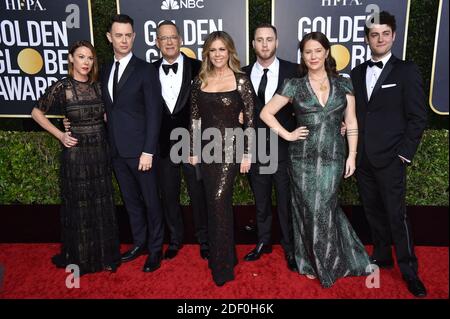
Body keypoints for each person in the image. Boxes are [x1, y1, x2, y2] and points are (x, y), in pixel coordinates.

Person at [260, 32, 371, 288]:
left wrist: (352, 154)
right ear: (303, 55)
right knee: (308, 208)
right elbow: (266, 113)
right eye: (307, 52)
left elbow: (352, 120)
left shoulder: (344, 83)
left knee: (325, 207)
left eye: (317, 51)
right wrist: (287, 134)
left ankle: (329, 258)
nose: (313, 56)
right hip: (302, 157)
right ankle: (312, 261)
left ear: (326, 53)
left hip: (333, 155)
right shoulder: (294, 85)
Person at [351, 11, 428, 297]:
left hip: (391, 158)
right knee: (372, 211)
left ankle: (409, 270)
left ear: (394, 36)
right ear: (367, 39)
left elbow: (419, 117)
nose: (380, 38)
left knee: (397, 216)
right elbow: (357, 114)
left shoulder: (406, 71)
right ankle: (382, 255)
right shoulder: (358, 73)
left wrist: (404, 155)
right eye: (374, 34)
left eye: (385, 33)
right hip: (363, 159)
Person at [31, 40, 121, 275]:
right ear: (71, 58)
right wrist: (61, 134)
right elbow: (36, 112)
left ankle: (105, 256)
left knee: (101, 203)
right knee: (80, 205)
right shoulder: (63, 87)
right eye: (81, 57)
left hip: (100, 152)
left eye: (90, 58)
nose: (86, 62)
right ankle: (81, 258)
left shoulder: (99, 87)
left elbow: (107, 117)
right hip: (77, 154)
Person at [189, 31, 255, 287]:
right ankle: (225, 255)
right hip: (206, 150)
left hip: (230, 148)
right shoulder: (199, 81)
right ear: (207, 53)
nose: (218, 54)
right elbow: (194, 118)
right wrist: (193, 149)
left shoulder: (241, 81)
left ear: (230, 52)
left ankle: (222, 265)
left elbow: (250, 119)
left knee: (218, 200)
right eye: (213, 50)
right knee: (214, 203)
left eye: (222, 50)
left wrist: (247, 153)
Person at [103, 14, 164, 272]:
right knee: (131, 201)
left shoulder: (145, 69)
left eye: (129, 35)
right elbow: (109, 108)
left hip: (141, 152)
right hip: (116, 150)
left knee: (151, 201)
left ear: (134, 37)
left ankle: (155, 250)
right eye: (119, 35)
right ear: (110, 38)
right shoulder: (105, 69)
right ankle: (139, 243)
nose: (124, 40)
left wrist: (148, 150)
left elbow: (154, 113)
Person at [241, 24, 297, 272]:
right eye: (260, 40)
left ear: (277, 42)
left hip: (284, 148)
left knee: (286, 202)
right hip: (256, 150)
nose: (264, 44)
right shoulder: (240, 74)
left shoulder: (293, 71)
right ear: (253, 44)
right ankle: (263, 242)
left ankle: (291, 248)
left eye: (269, 39)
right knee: (261, 201)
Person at [153, 21, 209, 260]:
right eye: (163, 38)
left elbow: (210, 106)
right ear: (157, 43)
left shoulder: (200, 68)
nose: (169, 42)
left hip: (193, 145)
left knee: (199, 195)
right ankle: (175, 239)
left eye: (173, 37)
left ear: (181, 40)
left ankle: (204, 240)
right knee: (169, 195)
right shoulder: (148, 70)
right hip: (163, 145)